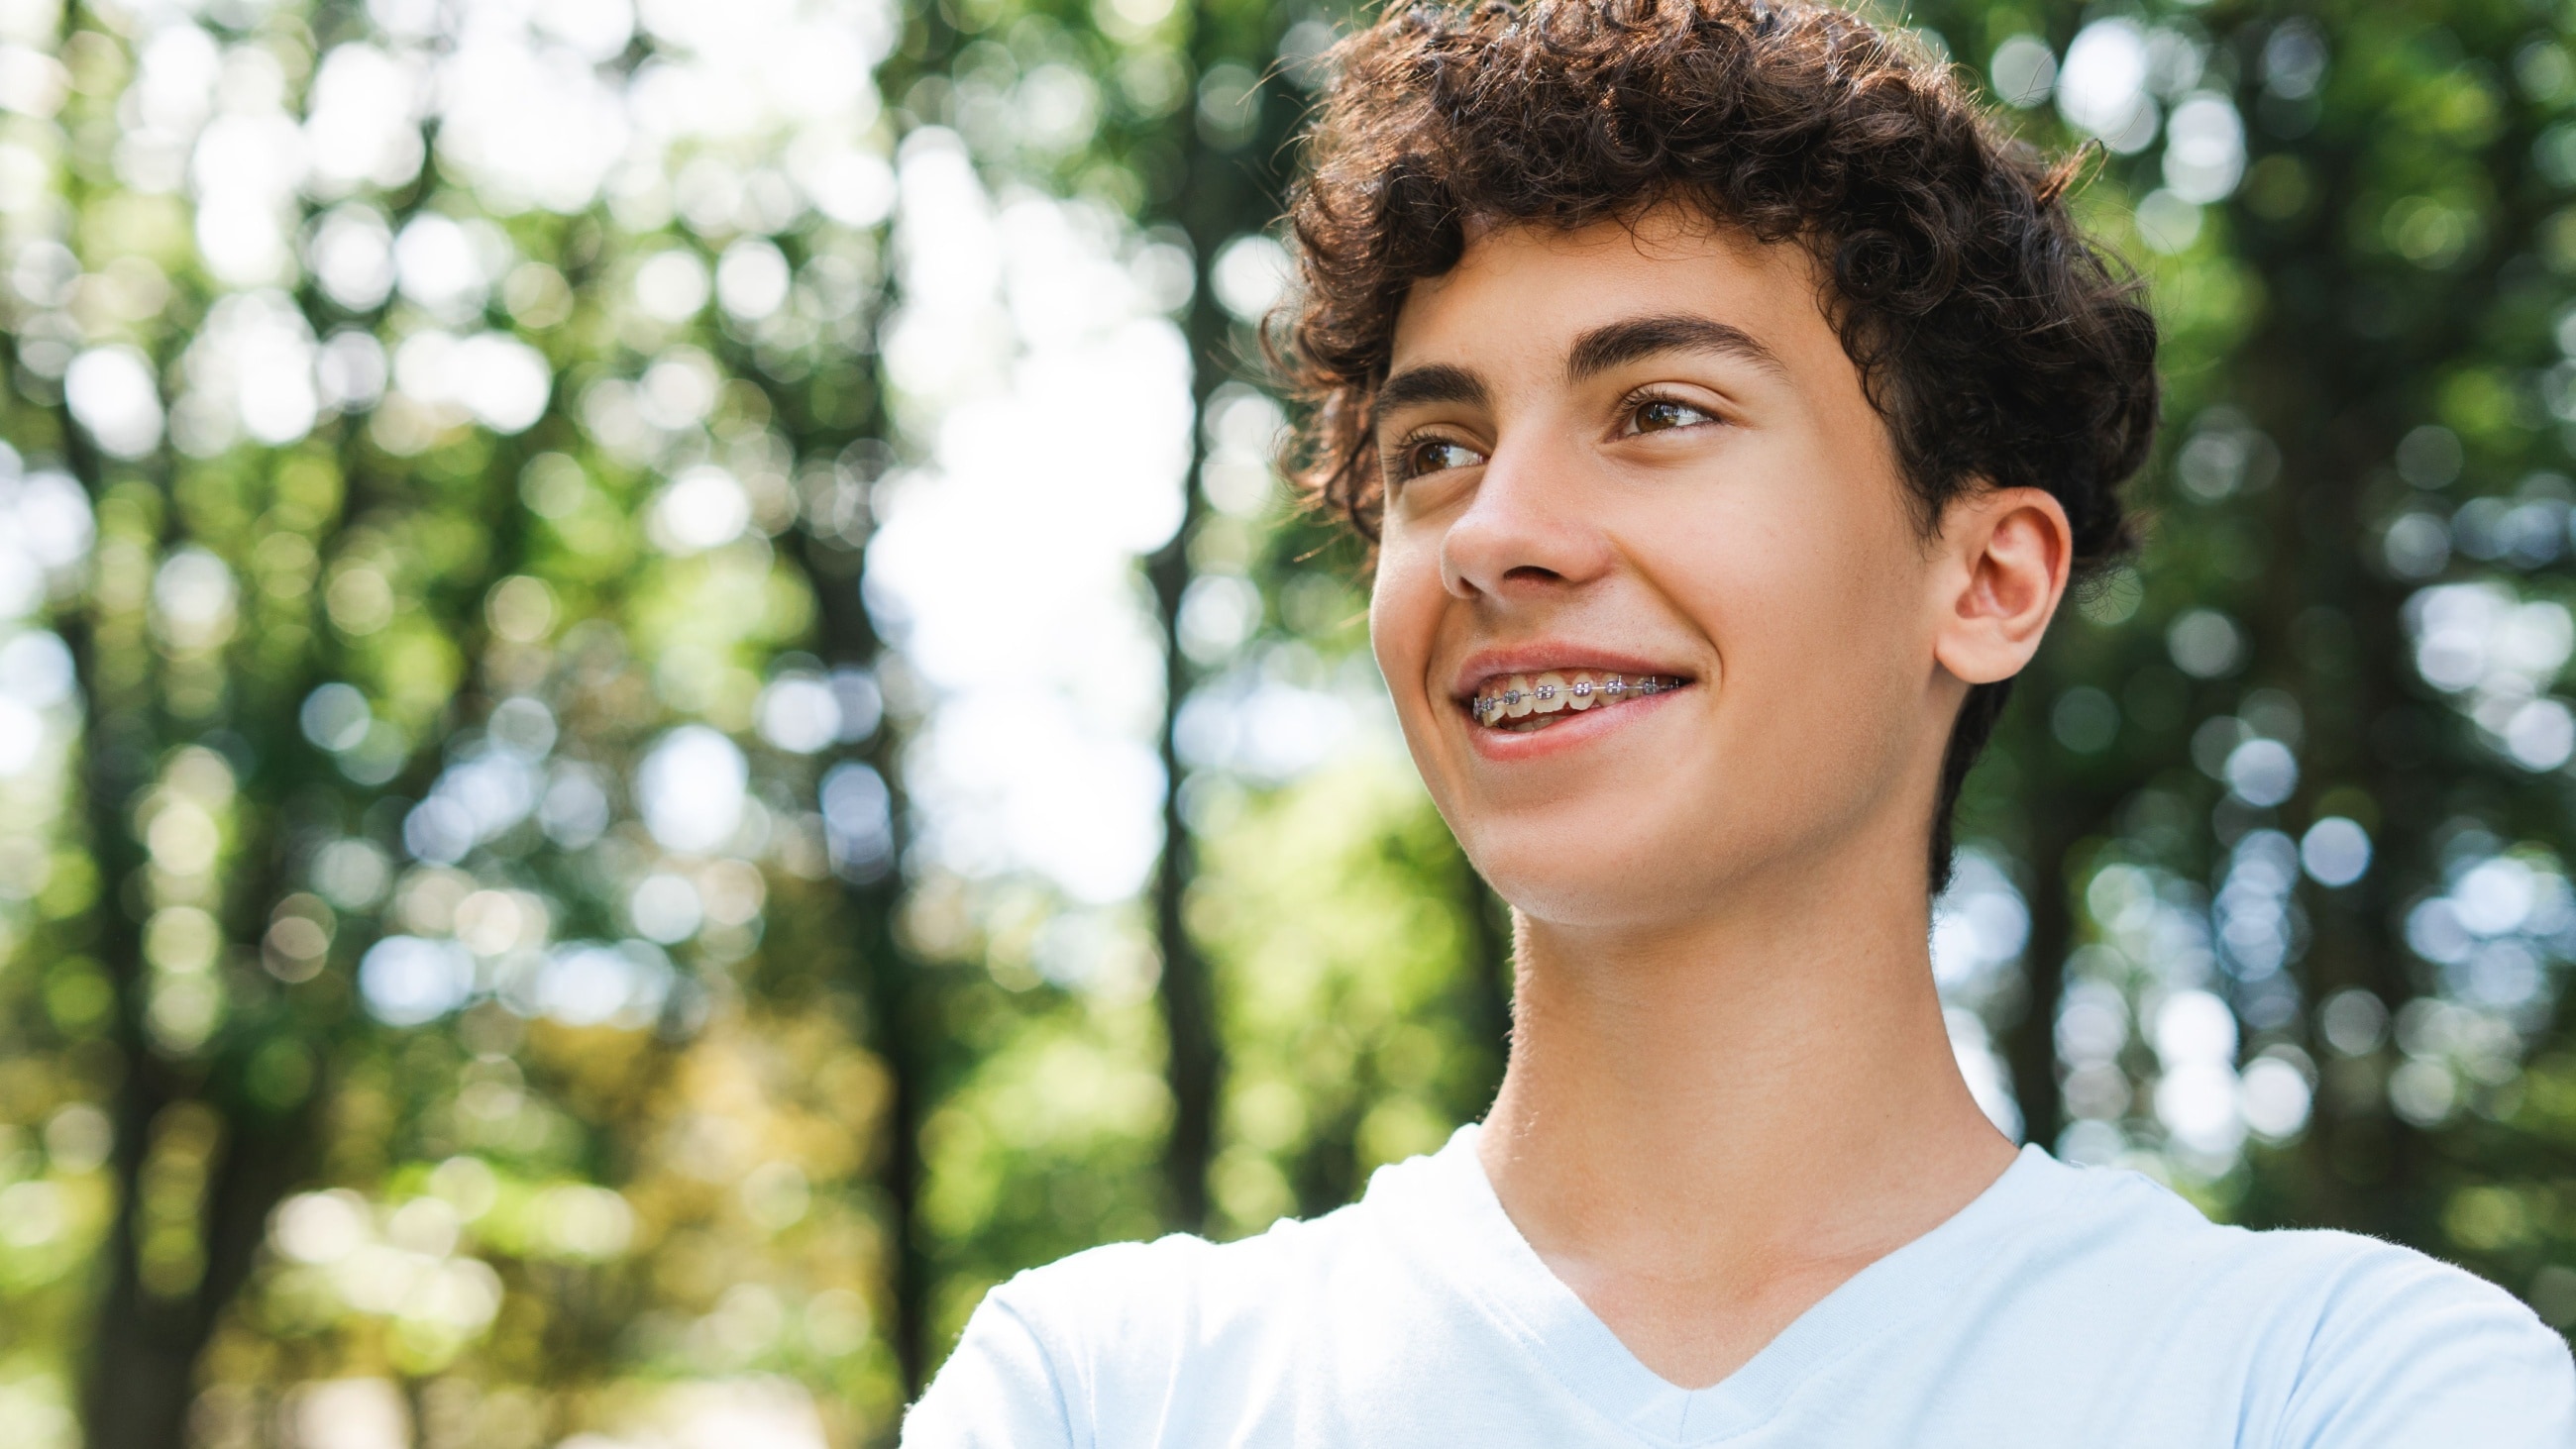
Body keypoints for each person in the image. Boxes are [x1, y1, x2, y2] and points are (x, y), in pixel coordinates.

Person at [904, 0, 2576, 1442]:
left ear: (1989, 577)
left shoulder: (2333, 1394)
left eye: (1661, 410)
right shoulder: (1106, 1396)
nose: (1495, 531)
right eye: (1435, 448)